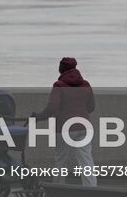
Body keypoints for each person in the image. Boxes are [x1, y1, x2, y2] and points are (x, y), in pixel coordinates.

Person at [36, 56, 97, 185]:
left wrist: (38, 117)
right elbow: (91, 107)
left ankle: (58, 188)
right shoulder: (85, 84)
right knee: (86, 161)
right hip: (84, 127)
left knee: (60, 160)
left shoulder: (59, 85)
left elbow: (52, 108)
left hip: (64, 128)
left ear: (61, 69)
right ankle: (92, 190)